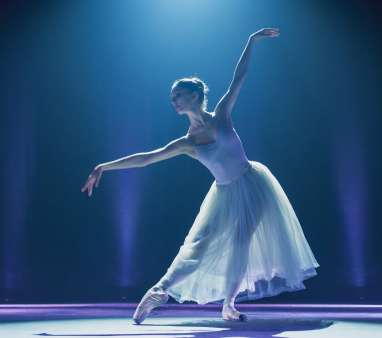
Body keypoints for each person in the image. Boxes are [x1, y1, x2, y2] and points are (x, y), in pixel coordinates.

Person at [81, 28, 319, 323]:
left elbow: (239, 78)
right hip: (223, 192)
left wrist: (251, 42)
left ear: (194, 96)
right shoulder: (187, 143)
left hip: (253, 183)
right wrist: (104, 166)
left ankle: (229, 305)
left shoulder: (221, 116)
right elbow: (147, 159)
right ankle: (159, 290)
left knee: (241, 244)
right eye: (172, 97)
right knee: (198, 246)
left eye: (178, 95)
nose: (174, 101)